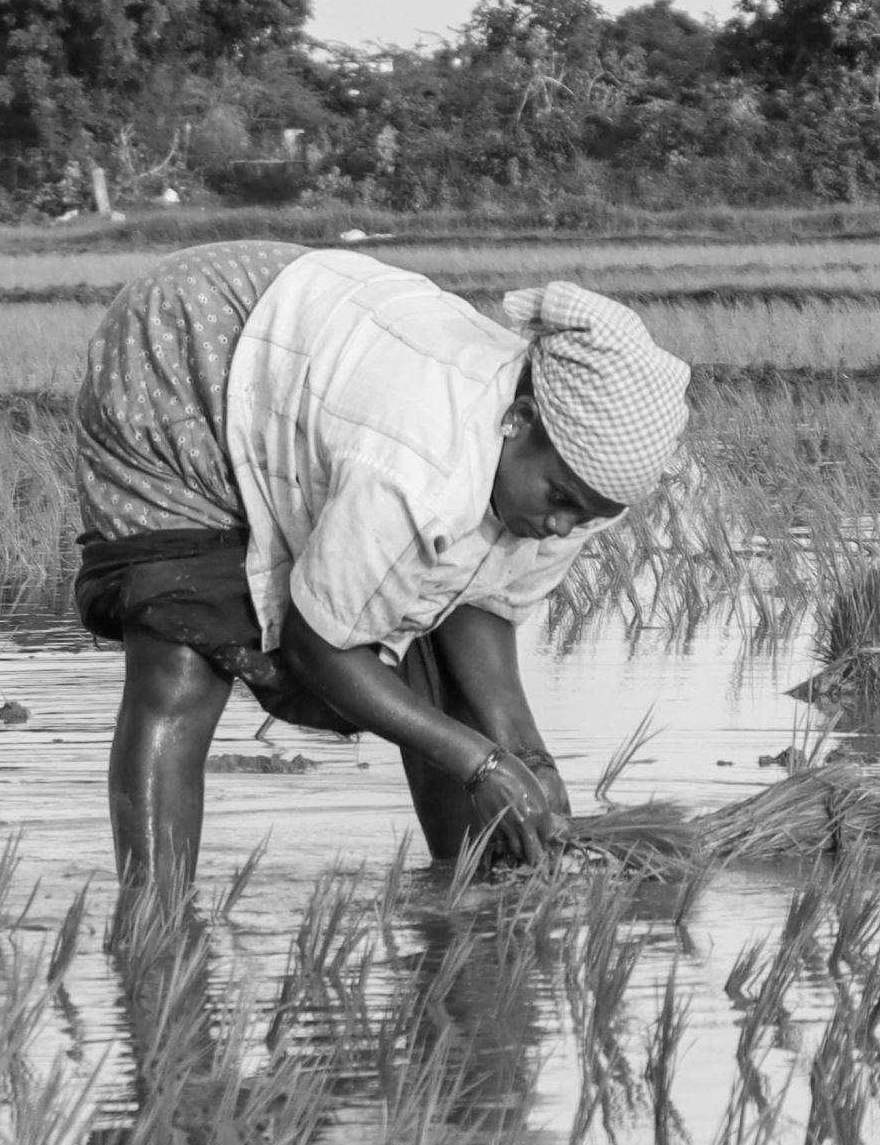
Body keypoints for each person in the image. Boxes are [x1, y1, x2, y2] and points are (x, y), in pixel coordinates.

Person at [71, 242, 693, 907]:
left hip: (320, 359)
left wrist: (527, 755)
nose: (564, 526)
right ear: (521, 419)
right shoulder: (417, 466)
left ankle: (465, 908)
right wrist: (481, 762)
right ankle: (152, 922)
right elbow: (317, 644)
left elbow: (477, 599)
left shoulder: (581, 480)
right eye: (561, 500)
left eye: (589, 516)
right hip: (192, 342)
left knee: (444, 677)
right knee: (183, 645)